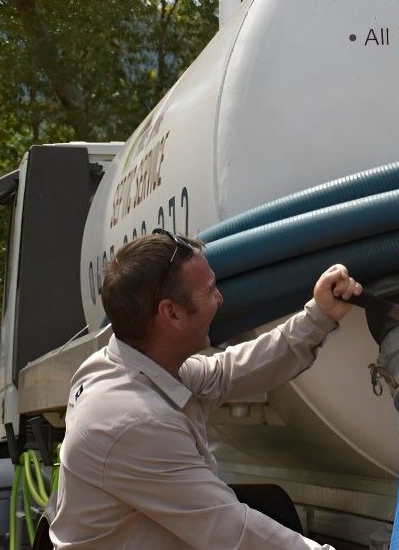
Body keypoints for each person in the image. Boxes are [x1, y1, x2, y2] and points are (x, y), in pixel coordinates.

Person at [49, 228, 361, 549]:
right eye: (210, 290)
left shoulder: (141, 366)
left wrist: (319, 317)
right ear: (171, 313)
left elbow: (230, 371)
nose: (220, 298)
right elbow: (231, 530)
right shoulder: (133, 420)